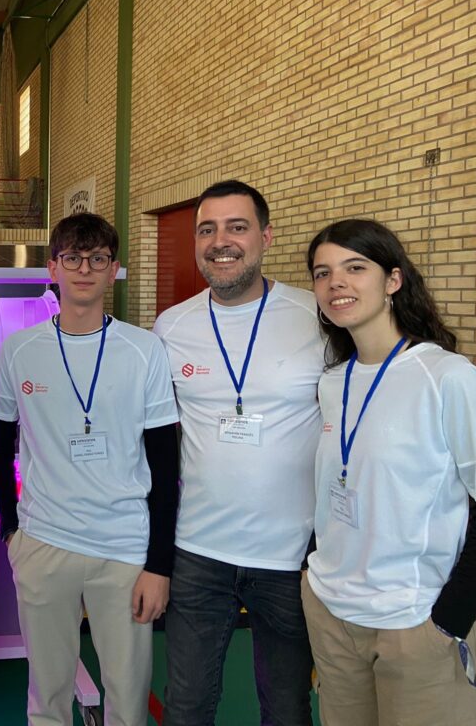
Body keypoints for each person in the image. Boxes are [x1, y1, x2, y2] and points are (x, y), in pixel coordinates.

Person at [0, 212, 180, 726]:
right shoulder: (19, 350)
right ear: (52, 267)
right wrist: (12, 531)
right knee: (47, 697)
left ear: (114, 269)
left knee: (128, 700)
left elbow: (166, 464)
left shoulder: (144, 350)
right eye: (72, 258)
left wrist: (159, 564)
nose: (85, 269)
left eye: (97, 259)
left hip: (124, 550)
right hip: (44, 543)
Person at [152, 180, 321, 726]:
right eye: (207, 229)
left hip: (291, 558)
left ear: (266, 237)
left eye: (237, 227)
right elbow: (156, 444)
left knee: (287, 709)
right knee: (187, 707)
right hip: (198, 552)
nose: (220, 241)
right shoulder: (171, 327)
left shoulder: (315, 316)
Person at [303, 218, 476, 725]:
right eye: (322, 273)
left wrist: (447, 621)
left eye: (355, 268)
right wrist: (312, 575)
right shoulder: (333, 381)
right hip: (332, 614)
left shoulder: (448, 377)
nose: (336, 283)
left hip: (414, 622)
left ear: (393, 280)